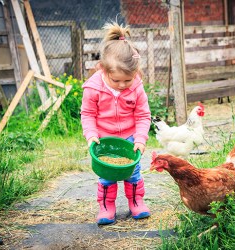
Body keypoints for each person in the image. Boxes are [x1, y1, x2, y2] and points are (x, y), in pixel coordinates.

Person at [80, 21, 151, 225]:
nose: (122, 86)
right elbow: (87, 114)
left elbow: (143, 116)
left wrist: (140, 138)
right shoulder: (93, 88)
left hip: (129, 138)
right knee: (106, 176)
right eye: (116, 80)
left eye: (127, 81)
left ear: (135, 73)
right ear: (102, 69)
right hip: (104, 140)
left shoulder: (136, 87)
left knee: (133, 173)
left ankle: (136, 202)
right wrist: (91, 134)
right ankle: (106, 207)